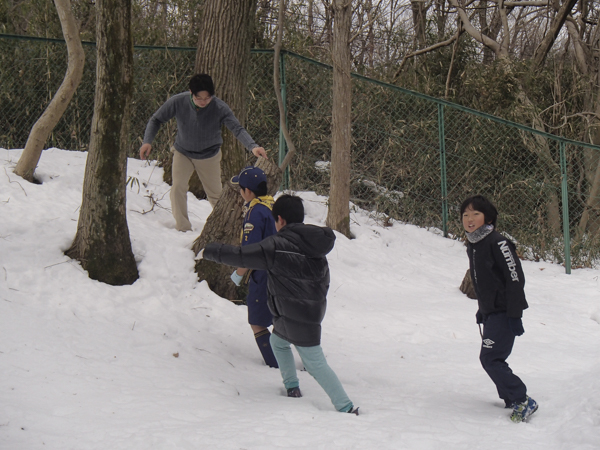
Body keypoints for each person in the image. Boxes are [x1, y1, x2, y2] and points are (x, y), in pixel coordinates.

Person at [202, 194, 358, 415]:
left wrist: (209, 250)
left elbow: (241, 256)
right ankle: (292, 386)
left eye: (276, 221)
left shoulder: (277, 245)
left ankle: (346, 407)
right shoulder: (315, 244)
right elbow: (323, 280)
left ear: (281, 220)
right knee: (278, 341)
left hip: (297, 315)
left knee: (314, 363)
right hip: (308, 311)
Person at [139, 73, 268, 232]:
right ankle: (183, 228)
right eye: (199, 98)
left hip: (209, 155)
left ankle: (224, 227)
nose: (203, 102)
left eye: (207, 98)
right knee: (177, 188)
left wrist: (253, 146)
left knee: (215, 194)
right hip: (183, 152)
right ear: (191, 93)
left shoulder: (219, 107)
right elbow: (156, 120)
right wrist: (147, 141)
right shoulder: (178, 101)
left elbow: (237, 128)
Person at [461, 195, 538, 423]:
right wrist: (482, 309)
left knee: (491, 358)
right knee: (493, 357)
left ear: (488, 217)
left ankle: (523, 400)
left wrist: (515, 314)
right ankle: (511, 398)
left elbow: (514, 279)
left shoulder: (498, 242)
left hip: (505, 311)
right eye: (465, 214)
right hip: (492, 311)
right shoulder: (474, 244)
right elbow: (486, 281)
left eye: (476, 213)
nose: (470, 219)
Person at [230, 166, 278, 368]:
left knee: (257, 321)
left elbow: (250, 252)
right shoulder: (272, 205)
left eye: (240, 188)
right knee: (280, 318)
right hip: (281, 270)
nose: (240, 192)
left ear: (247, 191)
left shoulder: (255, 213)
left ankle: (275, 363)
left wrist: (239, 274)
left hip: (264, 273)